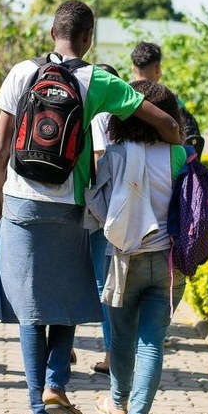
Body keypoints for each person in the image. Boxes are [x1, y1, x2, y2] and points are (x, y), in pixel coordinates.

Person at [0, 0, 181, 414]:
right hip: (71, 209)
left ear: (53, 32)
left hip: (19, 205)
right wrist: (175, 141)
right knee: (67, 304)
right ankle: (56, 384)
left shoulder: (20, 73)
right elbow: (163, 121)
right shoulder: (97, 80)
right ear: (89, 38)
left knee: (31, 312)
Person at [86, 80, 188, 414]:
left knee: (123, 340)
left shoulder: (113, 153)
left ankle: (117, 402)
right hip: (167, 264)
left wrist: (113, 225)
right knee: (152, 345)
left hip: (124, 260)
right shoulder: (178, 155)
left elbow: (94, 200)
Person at [87, 63, 119, 377]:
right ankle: (112, 353)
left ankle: (111, 355)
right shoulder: (121, 118)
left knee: (100, 284)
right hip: (117, 211)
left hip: (96, 214)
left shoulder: (98, 117)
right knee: (107, 283)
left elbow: (98, 162)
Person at [130, 41, 204, 156]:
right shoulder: (171, 101)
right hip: (167, 167)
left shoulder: (124, 98)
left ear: (133, 69)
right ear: (158, 68)